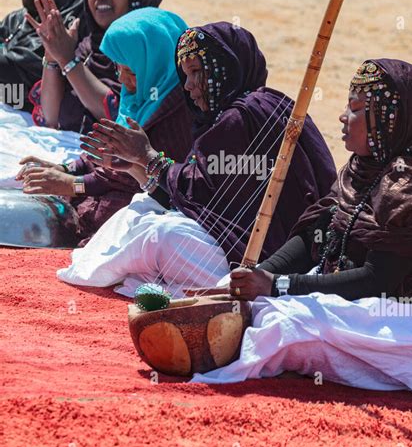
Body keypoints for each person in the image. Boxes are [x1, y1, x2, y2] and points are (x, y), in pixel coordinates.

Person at [57, 22, 336, 295]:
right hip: (231, 243)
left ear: (226, 69)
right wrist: (136, 167)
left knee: (162, 234)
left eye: (196, 73)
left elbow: (197, 190)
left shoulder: (243, 116)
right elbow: (198, 200)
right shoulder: (234, 114)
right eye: (185, 75)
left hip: (262, 261)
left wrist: (148, 156)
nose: (189, 86)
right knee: (144, 207)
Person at [229, 59, 412, 311]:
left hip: (410, 314)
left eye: (355, 108)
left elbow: (377, 280)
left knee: (278, 323)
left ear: (389, 121)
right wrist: (258, 274)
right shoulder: (362, 167)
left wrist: (277, 285)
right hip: (357, 299)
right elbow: (318, 232)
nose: (343, 116)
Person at [18, 8, 192, 244]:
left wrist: (73, 185)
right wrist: (66, 169)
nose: (121, 79)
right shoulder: (139, 96)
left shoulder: (177, 115)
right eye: (118, 68)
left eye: (130, 71)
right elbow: (105, 152)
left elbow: (134, 179)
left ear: (157, 65)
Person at [27, 0, 164, 133]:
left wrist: (68, 61)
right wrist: (53, 58)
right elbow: (50, 118)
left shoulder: (148, 49)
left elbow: (119, 120)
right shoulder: (87, 45)